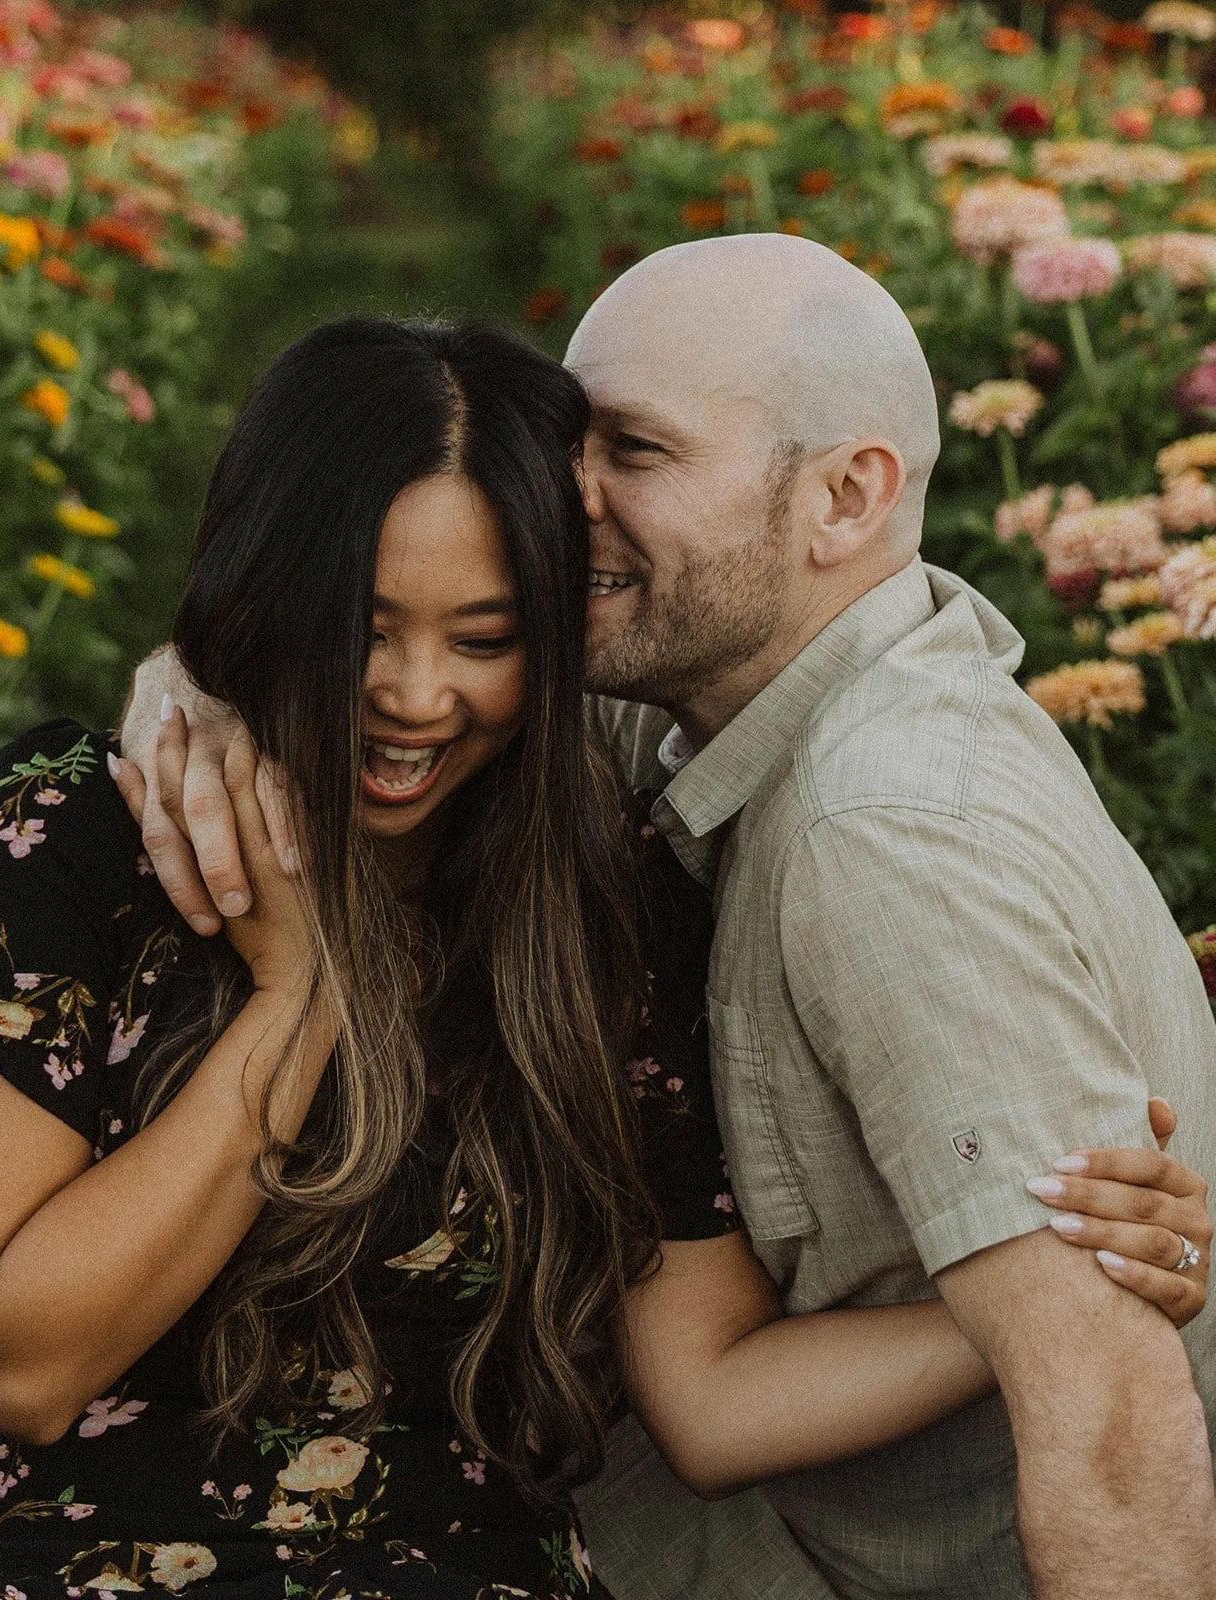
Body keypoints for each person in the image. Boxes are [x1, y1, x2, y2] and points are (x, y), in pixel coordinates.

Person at [120, 241, 1216, 1600]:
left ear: (845, 496)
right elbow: (379, 658)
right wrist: (197, 689)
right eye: (572, 438)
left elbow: (1112, 1422)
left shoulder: (887, 839)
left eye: (633, 450)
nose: (561, 493)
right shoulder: (727, 686)